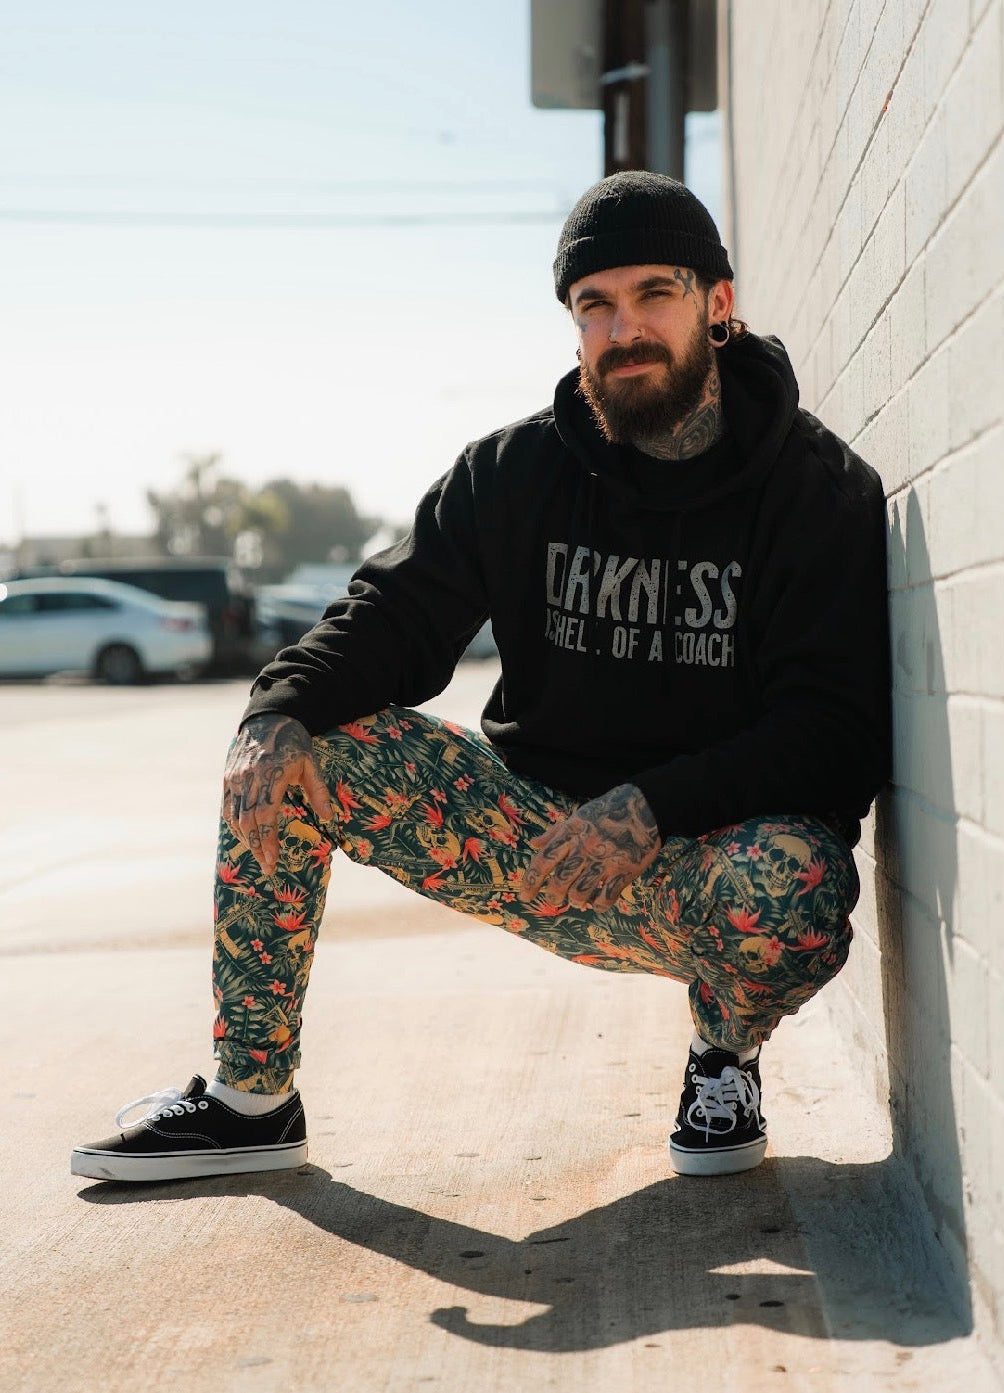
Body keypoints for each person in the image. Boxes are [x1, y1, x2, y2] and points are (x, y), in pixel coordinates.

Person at [71, 171, 891, 1184]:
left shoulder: (816, 491)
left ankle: (722, 1053)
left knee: (800, 879)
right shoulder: (513, 473)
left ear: (717, 306)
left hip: (693, 859)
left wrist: (652, 804)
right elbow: (393, 616)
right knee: (294, 749)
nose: (621, 327)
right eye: (592, 304)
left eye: (652, 294)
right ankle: (251, 1097)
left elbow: (833, 731)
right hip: (527, 835)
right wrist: (273, 711)